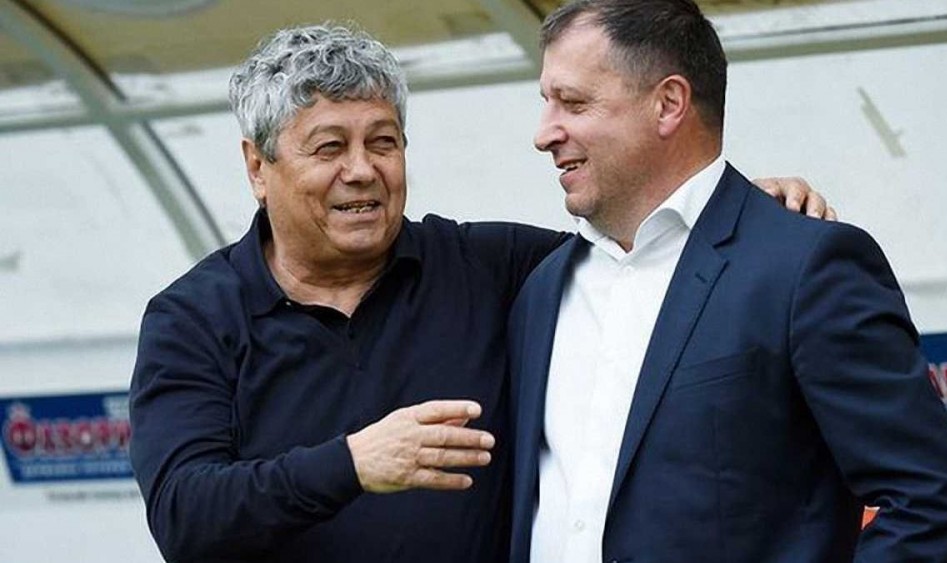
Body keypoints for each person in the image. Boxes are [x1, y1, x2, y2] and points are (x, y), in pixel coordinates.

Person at [128, 22, 831, 563]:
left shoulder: (492, 266)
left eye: (383, 142)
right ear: (258, 167)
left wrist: (731, 210)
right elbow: (186, 515)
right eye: (329, 148)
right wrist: (353, 463)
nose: (363, 170)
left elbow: (644, 253)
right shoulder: (194, 317)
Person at [507, 1, 947, 562]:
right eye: (546, 102)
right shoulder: (541, 290)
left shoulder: (803, 266)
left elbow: (932, 499)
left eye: (573, 103)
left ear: (668, 104)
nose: (543, 134)